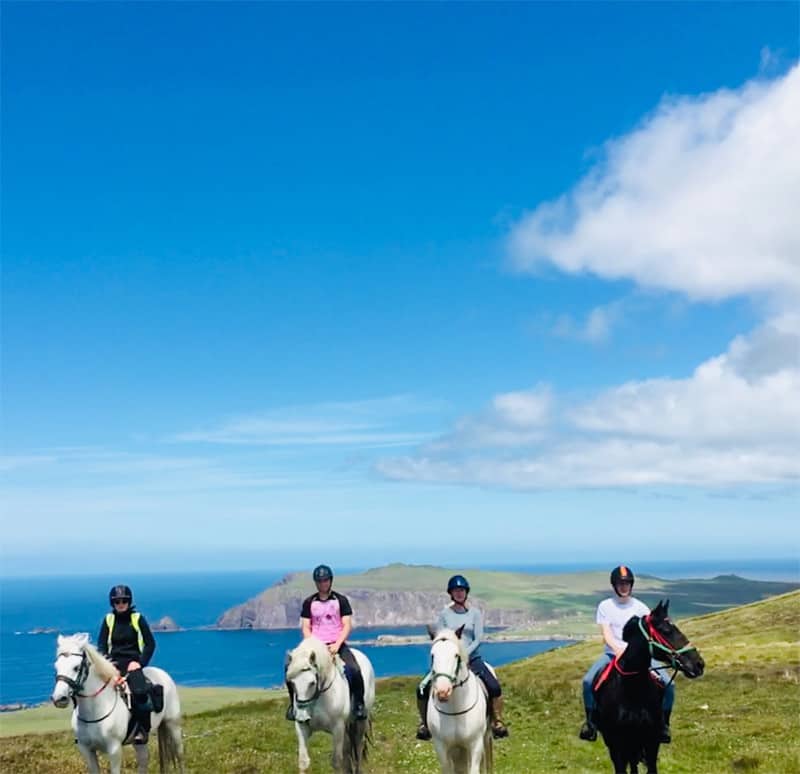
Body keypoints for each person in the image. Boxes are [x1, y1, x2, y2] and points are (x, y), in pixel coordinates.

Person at [579, 565, 675, 743]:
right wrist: (620, 650)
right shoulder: (605, 606)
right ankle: (591, 724)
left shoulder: (640, 608)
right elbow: (607, 635)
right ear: (614, 585)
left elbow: (651, 633)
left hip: (640, 658)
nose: (624, 587)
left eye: (627, 583)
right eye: (620, 583)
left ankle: (663, 725)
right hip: (612, 654)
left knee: (670, 685)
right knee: (587, 682)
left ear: (631, 585)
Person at [416, 574, 509, 741]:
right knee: (422, 688)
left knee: (494, 686)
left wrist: (464, 653)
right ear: (451, 594)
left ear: (466, 592)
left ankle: (497, 721)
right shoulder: (445, 614)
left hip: (472, 658)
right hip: (450, 660)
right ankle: (425, 724)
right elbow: (442, 637)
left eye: (462, 590)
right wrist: (453, 654)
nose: (459, 593)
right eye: (456, 591)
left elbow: (478, 638)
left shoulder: (475, 614)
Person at [285, 564, 368, 721]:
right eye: (319, 581)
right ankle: (293, 705)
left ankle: (359, 705)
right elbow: (306, 626)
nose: (322, 584)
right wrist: (313, 644)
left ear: (330, 581)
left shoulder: (341, 601)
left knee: (354, 669)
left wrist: (337, 645)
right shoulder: (309, 602)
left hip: (336, 643)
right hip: (315, 646)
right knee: (289, 669)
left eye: (325, 580)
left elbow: (347, 625)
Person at [98, 584, 157, 744]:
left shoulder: (137, 618)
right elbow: (102, 646)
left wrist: (139, 663)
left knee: (139, 691)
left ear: (129, 601)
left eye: (124, 600)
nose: (121, 604)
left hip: (133, 664)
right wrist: (109, 666)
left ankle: (141, 729)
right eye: (117, 601)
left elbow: (150, 644)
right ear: (113, 603)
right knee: (91, 690)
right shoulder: (108, 620)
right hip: (112, 665)